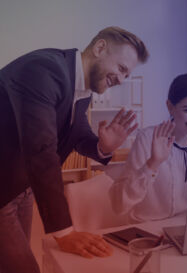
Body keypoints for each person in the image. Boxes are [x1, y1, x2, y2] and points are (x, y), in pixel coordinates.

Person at [0, 26, 149, 272]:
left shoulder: (81, 88)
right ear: (100, 48)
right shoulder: (44, 70)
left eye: (127, 75)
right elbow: (41, 150)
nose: (122, 80)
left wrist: (103, 146)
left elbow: (77, 134)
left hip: (20, 187)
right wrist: (64, 231)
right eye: (122, 69)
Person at [109, 73, 187, 222]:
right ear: (170, 107)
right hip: (147, 231)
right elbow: (119, 205)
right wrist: (152, 164)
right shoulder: (146, 139)